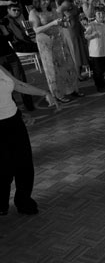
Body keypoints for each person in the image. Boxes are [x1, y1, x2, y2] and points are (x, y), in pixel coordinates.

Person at [1, 65, 59, 216]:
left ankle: (23, 200)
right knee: (4, 168)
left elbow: (17, 84)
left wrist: (44, 93)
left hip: (14, 121)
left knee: (24, 164)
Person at [29, 0, 80, 103]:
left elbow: (60, 23)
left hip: (59, 40)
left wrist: (64, 21)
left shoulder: (52, 10)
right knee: (53, 68)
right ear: (37, 1)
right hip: (46, 43)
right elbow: (36, 30)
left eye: (47, 0)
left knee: (68, 65)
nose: (46, 2)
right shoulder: (34, 13)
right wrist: (53, 23)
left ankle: (72, 90)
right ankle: (58, 94)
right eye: (43, 0)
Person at [57, 0, 89, 81]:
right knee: (74, 51)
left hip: (76, 29)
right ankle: (77, 75)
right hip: (70, 30)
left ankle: (78, 73)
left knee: (77, 50)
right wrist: (63, 20)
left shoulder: (70, 3)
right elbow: (58, 11)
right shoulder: (66, 4)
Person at [0, 26, 35, 111]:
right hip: (0, 60)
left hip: (10, 55)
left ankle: (29, 106)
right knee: (4, 83)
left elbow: (10, 38)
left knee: (21, 79)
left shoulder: (1, 25)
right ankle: (14, 108)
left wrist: (3, 28)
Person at [84, 7, 105, 92]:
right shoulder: (91, 25)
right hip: (96, 52)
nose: (101, 15)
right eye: (99, 14)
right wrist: (93, 35)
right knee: (98, 71)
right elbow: (86, 36)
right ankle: (100, 87)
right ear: (95, 15)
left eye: (103, 13)